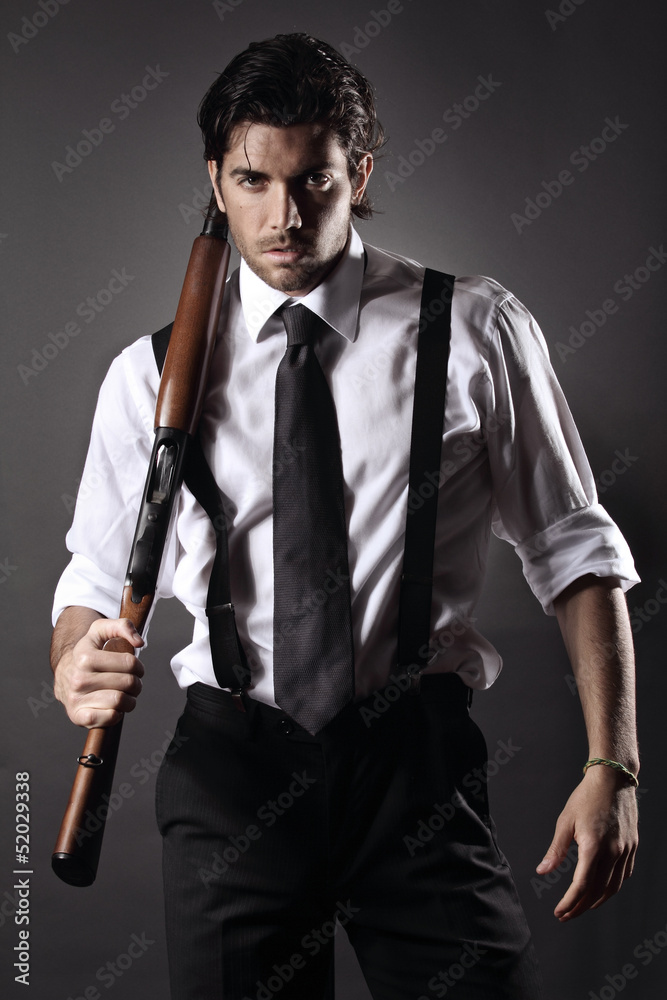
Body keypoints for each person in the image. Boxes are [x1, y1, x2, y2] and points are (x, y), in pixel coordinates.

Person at [51, 33, 640, 1000]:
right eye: (253, 181)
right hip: (231, 776)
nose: (283, 216)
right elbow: (89, 578)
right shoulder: (146, 374)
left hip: (414, 768)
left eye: (313, 181)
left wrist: (611, 764)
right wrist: (75, 660)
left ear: (358, 174)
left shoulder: (474, 330)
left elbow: (574, 551)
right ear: (216, 180)